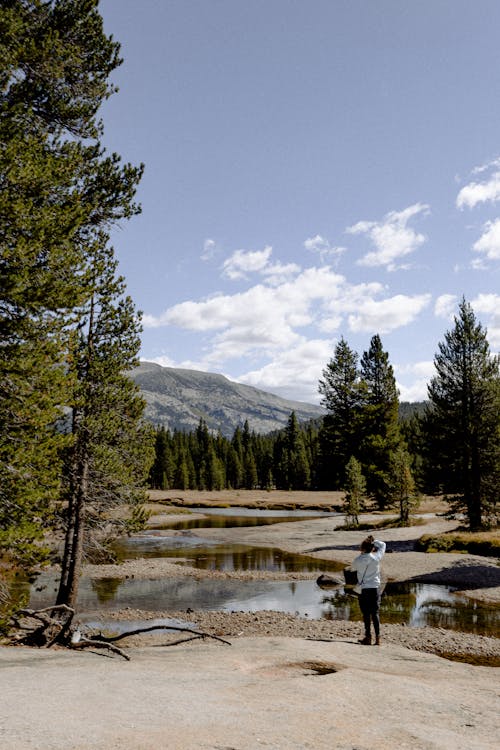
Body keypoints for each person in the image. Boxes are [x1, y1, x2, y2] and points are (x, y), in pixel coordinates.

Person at [351, 534, 386, 645]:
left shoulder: (357, 560)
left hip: (364, 589)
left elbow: (352, 569)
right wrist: (374, 541)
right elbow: (383, 545)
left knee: (366, 614)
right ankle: (378, 639)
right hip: (375, 588)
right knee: (375, 613)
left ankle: (368, 637)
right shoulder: (376, 557)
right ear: (372, 548)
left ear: (362, 548)